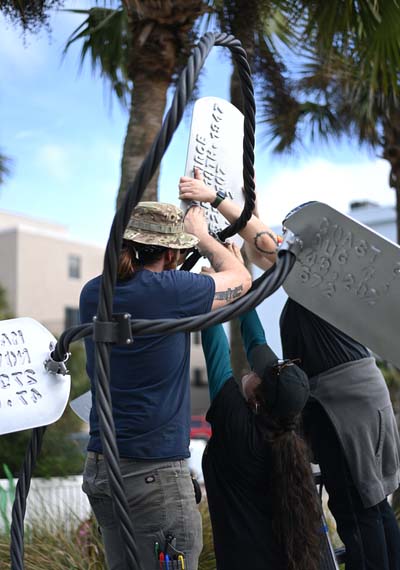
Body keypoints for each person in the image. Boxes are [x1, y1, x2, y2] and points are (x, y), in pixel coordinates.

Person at [179, 173, 400, 570]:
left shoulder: (317, 274)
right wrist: (235, 259)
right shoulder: (324, 287)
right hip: (363, 397)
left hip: (343, 406)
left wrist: (213, 201)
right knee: (373, 505)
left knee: (356, 510)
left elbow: (266, 245)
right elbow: (260, 255)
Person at [79, 201, 252, 570]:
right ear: (172, 253)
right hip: (151, 475)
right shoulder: (170, 292)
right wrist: (203, 236)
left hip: (102, 468)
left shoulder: (94, 292)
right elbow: (242, 281)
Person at [200, 283, 321, 570]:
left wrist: (211, 287)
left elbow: (214, 339)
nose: (252, 369)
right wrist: (240, 281)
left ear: (258, 397)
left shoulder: (239, 428)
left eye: (257, 373)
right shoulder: (287, 430)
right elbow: (255, 340)